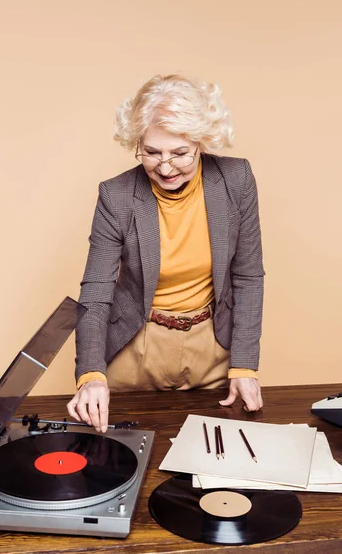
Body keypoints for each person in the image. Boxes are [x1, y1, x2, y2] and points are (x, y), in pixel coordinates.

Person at [67, 74, 264, 433]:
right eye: (152, 152)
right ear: (137, 144)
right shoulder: (117, 196)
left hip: (213, 342)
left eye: (180, 153)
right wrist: (91, 375)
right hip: (137, 343)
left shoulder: (237, 180)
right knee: (122, 456)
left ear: (202, 143)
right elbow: (96, 291)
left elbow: (248, 276)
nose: (166, 166)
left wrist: (245, 365)